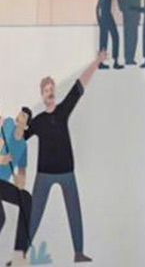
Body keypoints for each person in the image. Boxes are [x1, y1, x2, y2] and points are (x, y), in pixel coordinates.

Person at [26, 51, 105, 264]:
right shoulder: (38, 121)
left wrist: (97, 62)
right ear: (42, 95)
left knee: (74, 212)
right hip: (44, 175)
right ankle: (20, 253)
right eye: (46, 90)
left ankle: (78, 253)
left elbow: (80, 85)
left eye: (52, 89)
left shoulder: (63, 110)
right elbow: (19, 137)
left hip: (66, 172)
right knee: (34, 215)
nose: (50, 93)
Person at [0, 105, 32, 266]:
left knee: (1, 218)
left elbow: (22, 170)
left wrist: (21, 180)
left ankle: (18, 257)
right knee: (25, 199)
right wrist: (0, 159)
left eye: (24, 117)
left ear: (26, 126)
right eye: (20, 114)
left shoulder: (23, 146)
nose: (20, 117)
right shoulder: (7, 125)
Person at [95, 0, 122, 70]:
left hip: (107, 16)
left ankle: (113, 62)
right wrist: (99, 21)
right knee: (106, 39)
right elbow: (98, 7)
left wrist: (99, 20)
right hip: (105, 17)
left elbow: (98, 8)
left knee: (112, 37)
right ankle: (105, 63)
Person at [115, 0, 142, 65]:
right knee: (131, 39)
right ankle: (129, 59)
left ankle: (129, 59)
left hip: (130, 19)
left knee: (130, 39)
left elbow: (122, 7)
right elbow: (124, 7)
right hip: (131, 19)